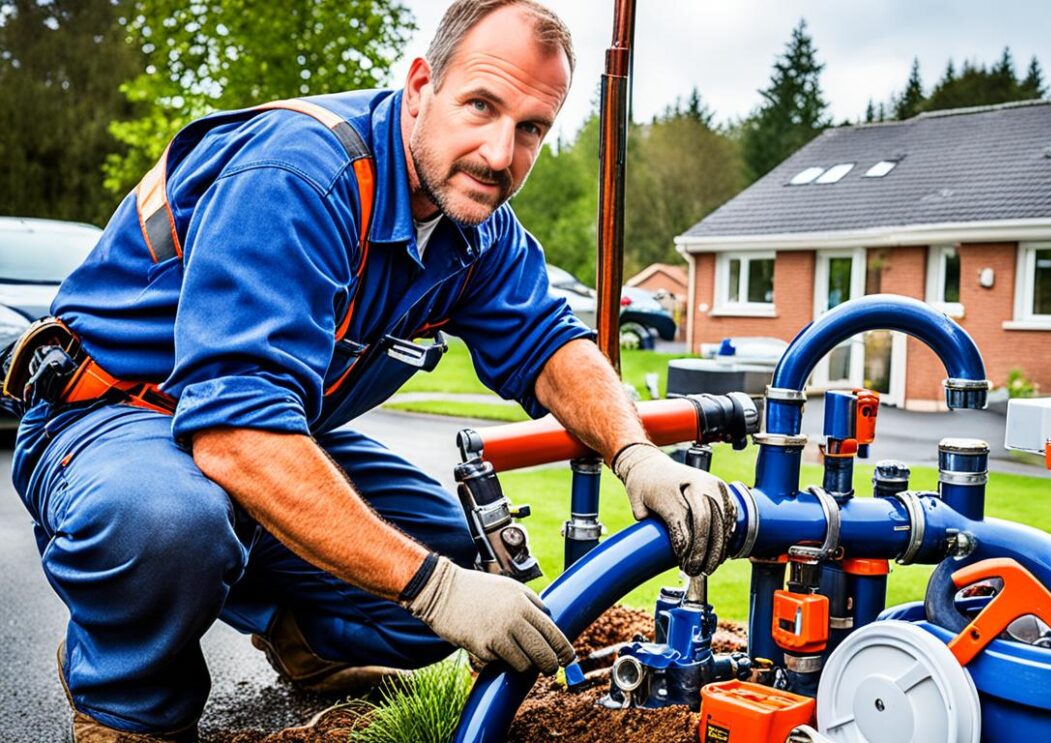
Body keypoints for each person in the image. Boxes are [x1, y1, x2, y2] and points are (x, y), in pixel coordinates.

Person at [6, 1, 735, 740]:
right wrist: (436, 589)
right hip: (113, 420)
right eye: (480, 106)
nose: (498, 152)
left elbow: (549, 342)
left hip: (258, 436)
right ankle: (128, 689)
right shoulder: (298, 176)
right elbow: (234, 434)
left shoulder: (473, 225)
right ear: (420, 86)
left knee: (458, 558)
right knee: (169, 522)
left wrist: (635, 451)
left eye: (530, 129)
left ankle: (307, 641)